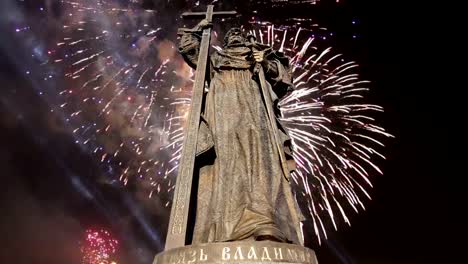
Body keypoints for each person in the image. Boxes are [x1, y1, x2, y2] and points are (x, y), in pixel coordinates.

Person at [177, 19, 304, 244]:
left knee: (260, 163)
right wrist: (200, 29)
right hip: (222, 112)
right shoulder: (215, 58)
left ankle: (263, 219)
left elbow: (282, 76)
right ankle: (222, 226)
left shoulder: (258, 55)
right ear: (225, 42)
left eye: (238, 33)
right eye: (231, 35)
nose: (235, 35)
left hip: (254, 108)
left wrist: (264, 61)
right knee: (226, 165)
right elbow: (190, 48)